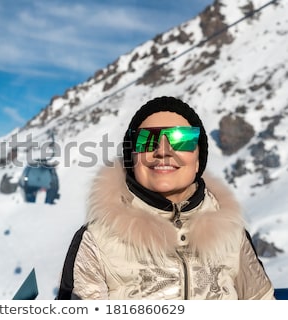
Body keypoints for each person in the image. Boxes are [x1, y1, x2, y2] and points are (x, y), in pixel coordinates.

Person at [57, 96, 275, 300]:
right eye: (146, 139)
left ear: (199, 160)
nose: (163, 150)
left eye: (182, 139)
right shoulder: (96, 240)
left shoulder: (233, 235)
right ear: (132, 157)